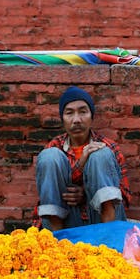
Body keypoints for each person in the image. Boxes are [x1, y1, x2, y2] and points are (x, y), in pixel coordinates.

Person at [34, 86, 131, 231]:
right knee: (49, 157)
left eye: (83, 112)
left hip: (100, 220)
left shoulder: (109, 147)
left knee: (100, 154)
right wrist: (80, 165)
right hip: (67, 222)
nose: (77, 120)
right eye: (69, 113)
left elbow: (124, 197)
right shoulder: (54, 147)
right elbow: (48, 196)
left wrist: (87, 193)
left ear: (92, 116)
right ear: (63, 119)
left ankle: (109, 240)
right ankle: (56, 243)